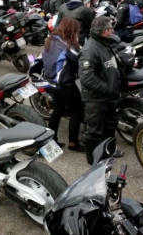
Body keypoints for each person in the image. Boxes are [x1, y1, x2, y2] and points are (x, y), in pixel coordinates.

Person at [79, 16, 126, 164]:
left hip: (109, 97)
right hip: (96, 99)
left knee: (110, 127)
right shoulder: (90, 50)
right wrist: (108, 88)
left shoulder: (104, 44)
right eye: (110, 29)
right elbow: (87, 78)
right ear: (105, 31)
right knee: (93, 131)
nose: (113, 31)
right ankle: (93, 160)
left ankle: (108, 153)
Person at [43, 18, 84, 152]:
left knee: (58, 110)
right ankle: (73, 142)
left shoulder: (52, 40)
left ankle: (51, 139)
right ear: (72, 31)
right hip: (65, 84)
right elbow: (80, 61)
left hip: (51, 82)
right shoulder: (68, 45)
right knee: (76, 111)